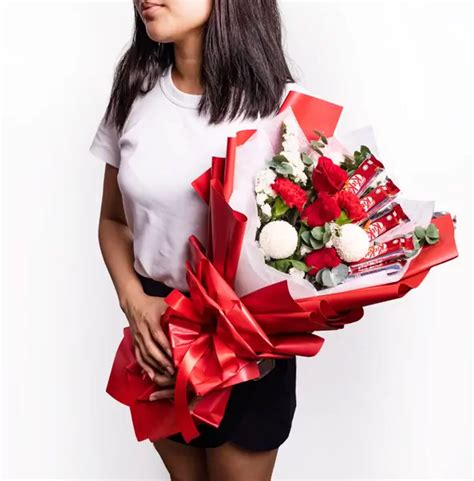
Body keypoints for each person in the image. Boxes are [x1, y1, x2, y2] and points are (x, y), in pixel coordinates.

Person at [89, 1, 310, 479]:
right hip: (161, 335)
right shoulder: (133, 95)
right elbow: (112, 220)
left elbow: (305, 252)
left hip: (247, 343)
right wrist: (134, 302)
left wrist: (222, 355)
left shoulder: (281, 109)